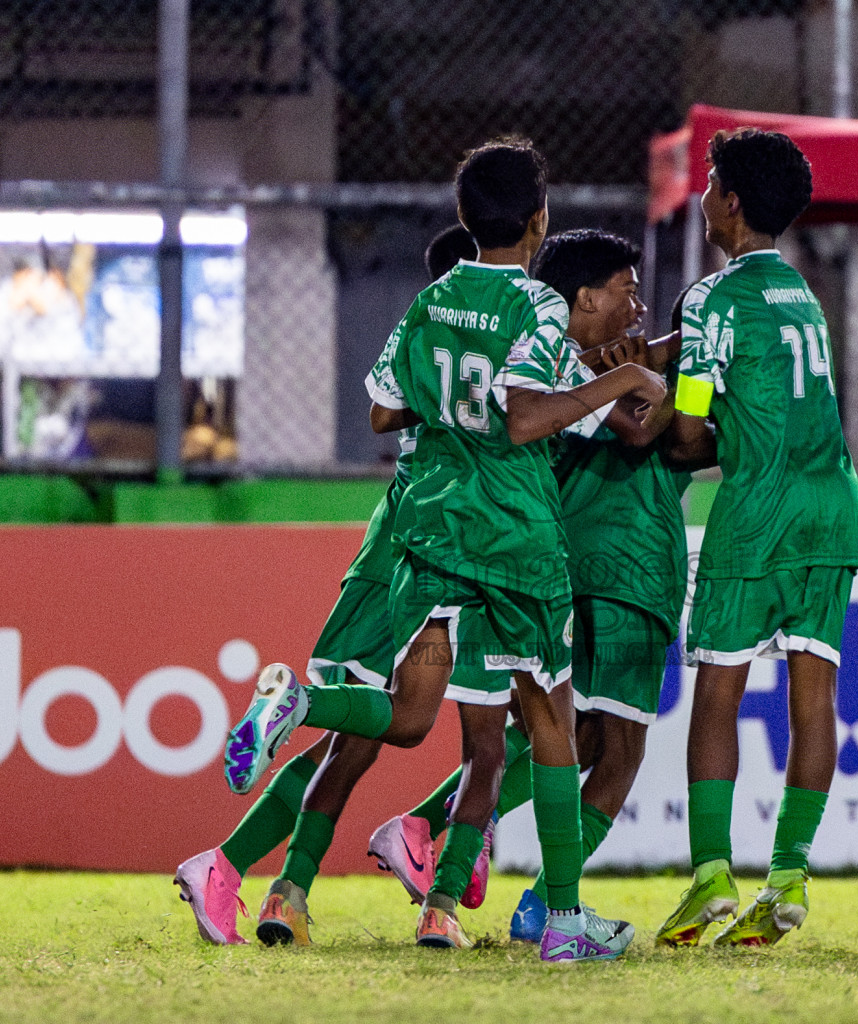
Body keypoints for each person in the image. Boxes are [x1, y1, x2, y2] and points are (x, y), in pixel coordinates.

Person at [229, 139, 667, 961]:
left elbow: (384, 415)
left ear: (466, 220)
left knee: (405, 713)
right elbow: (525, 419)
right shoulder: (537, 308)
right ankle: (565, 923)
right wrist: (622, 382)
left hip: (431, 536)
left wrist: (452, 408)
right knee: (549, 721)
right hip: (513, 540)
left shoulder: (430, 303)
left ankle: (301, 705)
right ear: (538, 222)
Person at [172, 224, 507, 947]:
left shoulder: (423, 342)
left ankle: (263, 884)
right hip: (441, 549)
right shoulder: (495, 339)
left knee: (350, 748)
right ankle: (309, 723)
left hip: (392, 542)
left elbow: (382, 415)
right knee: (433, 726)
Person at [369, 230, 697, 943]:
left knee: (525, 737)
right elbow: (667, 437)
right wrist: (675, 377)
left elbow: (388, 412)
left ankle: (442, 877)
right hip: (620, 567)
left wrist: (643, 361)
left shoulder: (525, 351)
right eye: (627, 291)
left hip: (524, 554)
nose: (638, 307)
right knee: (613, 749)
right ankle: (554, 906)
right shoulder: (563, 364)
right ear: (584, 297)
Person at [655, 127, 858, 948]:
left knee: (719, 692)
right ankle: (790, 875)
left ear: (730, 204)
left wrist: (647, 410)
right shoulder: (801, 295)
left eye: (709, 185)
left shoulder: (712, 299)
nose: (704, 197)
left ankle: (710, 874)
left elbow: (689, 429)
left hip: (758, 509)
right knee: (816, 700)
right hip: (832, 508)